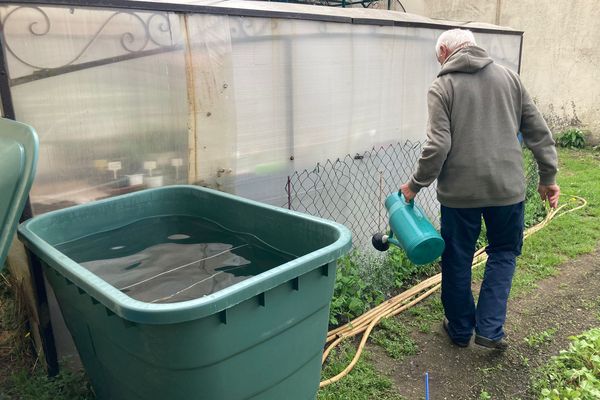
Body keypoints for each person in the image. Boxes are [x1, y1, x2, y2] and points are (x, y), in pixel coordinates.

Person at [400, 29, 560, 350]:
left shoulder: (442, 86)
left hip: (460, 196)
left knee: (457, 259)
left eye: (438, 57)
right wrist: (548, 177)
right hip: (507, 190)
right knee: (503, 252)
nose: (439, 63)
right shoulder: (510, 79)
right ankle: (489, 328)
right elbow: (537, 132)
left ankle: (459, 330)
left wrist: (414, 185)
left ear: (445, 51)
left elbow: (437, 146)